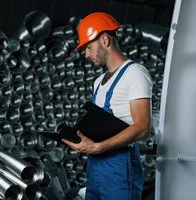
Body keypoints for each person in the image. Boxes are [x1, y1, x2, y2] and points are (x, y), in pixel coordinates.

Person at [62, 12, 153, 200]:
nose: (86, 55)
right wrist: (81, 140)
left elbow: (142, 127)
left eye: (88, 47)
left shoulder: (135, 73)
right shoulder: (98, 82)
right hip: (95, 169)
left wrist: (99, 147)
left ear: (104, 40)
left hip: (120, 168)